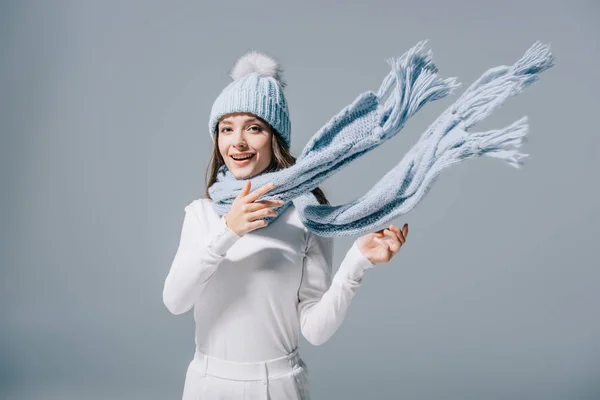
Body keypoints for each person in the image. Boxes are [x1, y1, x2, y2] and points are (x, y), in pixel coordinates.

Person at [163, 51, 409, 400]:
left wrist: (357, 262)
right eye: (226, 128)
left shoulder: (306, 216)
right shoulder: (201, 214)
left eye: (254, 127)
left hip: (277, 386)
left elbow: (315, 330)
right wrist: (228, 231)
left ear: (275, 137)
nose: (238, 142)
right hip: (207, 384)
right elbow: (175, 301)